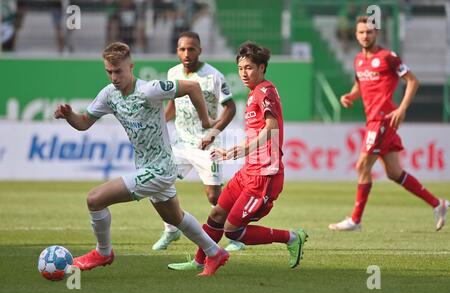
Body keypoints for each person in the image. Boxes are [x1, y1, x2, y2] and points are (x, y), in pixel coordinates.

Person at [53, 42, 229, 276]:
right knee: (175, 217)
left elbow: (193, 87)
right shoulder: (109, 95)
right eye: (109, 71)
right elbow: (84, 122)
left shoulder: (150, 89)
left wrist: (206, 121)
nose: (114, 77)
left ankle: (103, 252)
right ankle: (215, 252)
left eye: (118, 71)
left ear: (131, 67)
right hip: (146, 166)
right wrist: (69, 116)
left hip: (160, 169)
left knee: (95, 199)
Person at [167, 42, 308, 272]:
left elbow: (271, 128)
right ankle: (199, 260)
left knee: (233, 231)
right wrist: (235, 151)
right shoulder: (254, 93)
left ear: (262, 68)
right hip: (248, 171)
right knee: (216, 214)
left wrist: (239, 150)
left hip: (265, 175)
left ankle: (292, 238)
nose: (244, 73)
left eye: (249, 67)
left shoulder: (266, 91)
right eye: (241, 68)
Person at [328, 16, 449, 232]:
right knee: (394, 173)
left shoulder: (388, 57)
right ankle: (438, 204)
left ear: (377, 34)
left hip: (383, 120)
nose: (366, 35)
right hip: (372, 120)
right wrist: (350, 96)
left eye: (370, 32)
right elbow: (360, 86)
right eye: (362, 32)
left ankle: (355, 220)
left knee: (362, 165)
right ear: (356, 35)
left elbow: (413, 81)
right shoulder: (358, 60)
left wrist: (401, 109)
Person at [152, 31, 245, 252]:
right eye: (182, 49)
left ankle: (236, 235)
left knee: (214, 195)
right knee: (157, 182)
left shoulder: (213, 76)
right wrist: (159, 124)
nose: (187, 53)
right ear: (177, 51)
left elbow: (230, 108)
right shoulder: (173, 73)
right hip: (181, 144)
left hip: (208, 145)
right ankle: (170, 230)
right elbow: (173, 106)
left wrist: (212, 133)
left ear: (200, 50)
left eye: (191, 49)